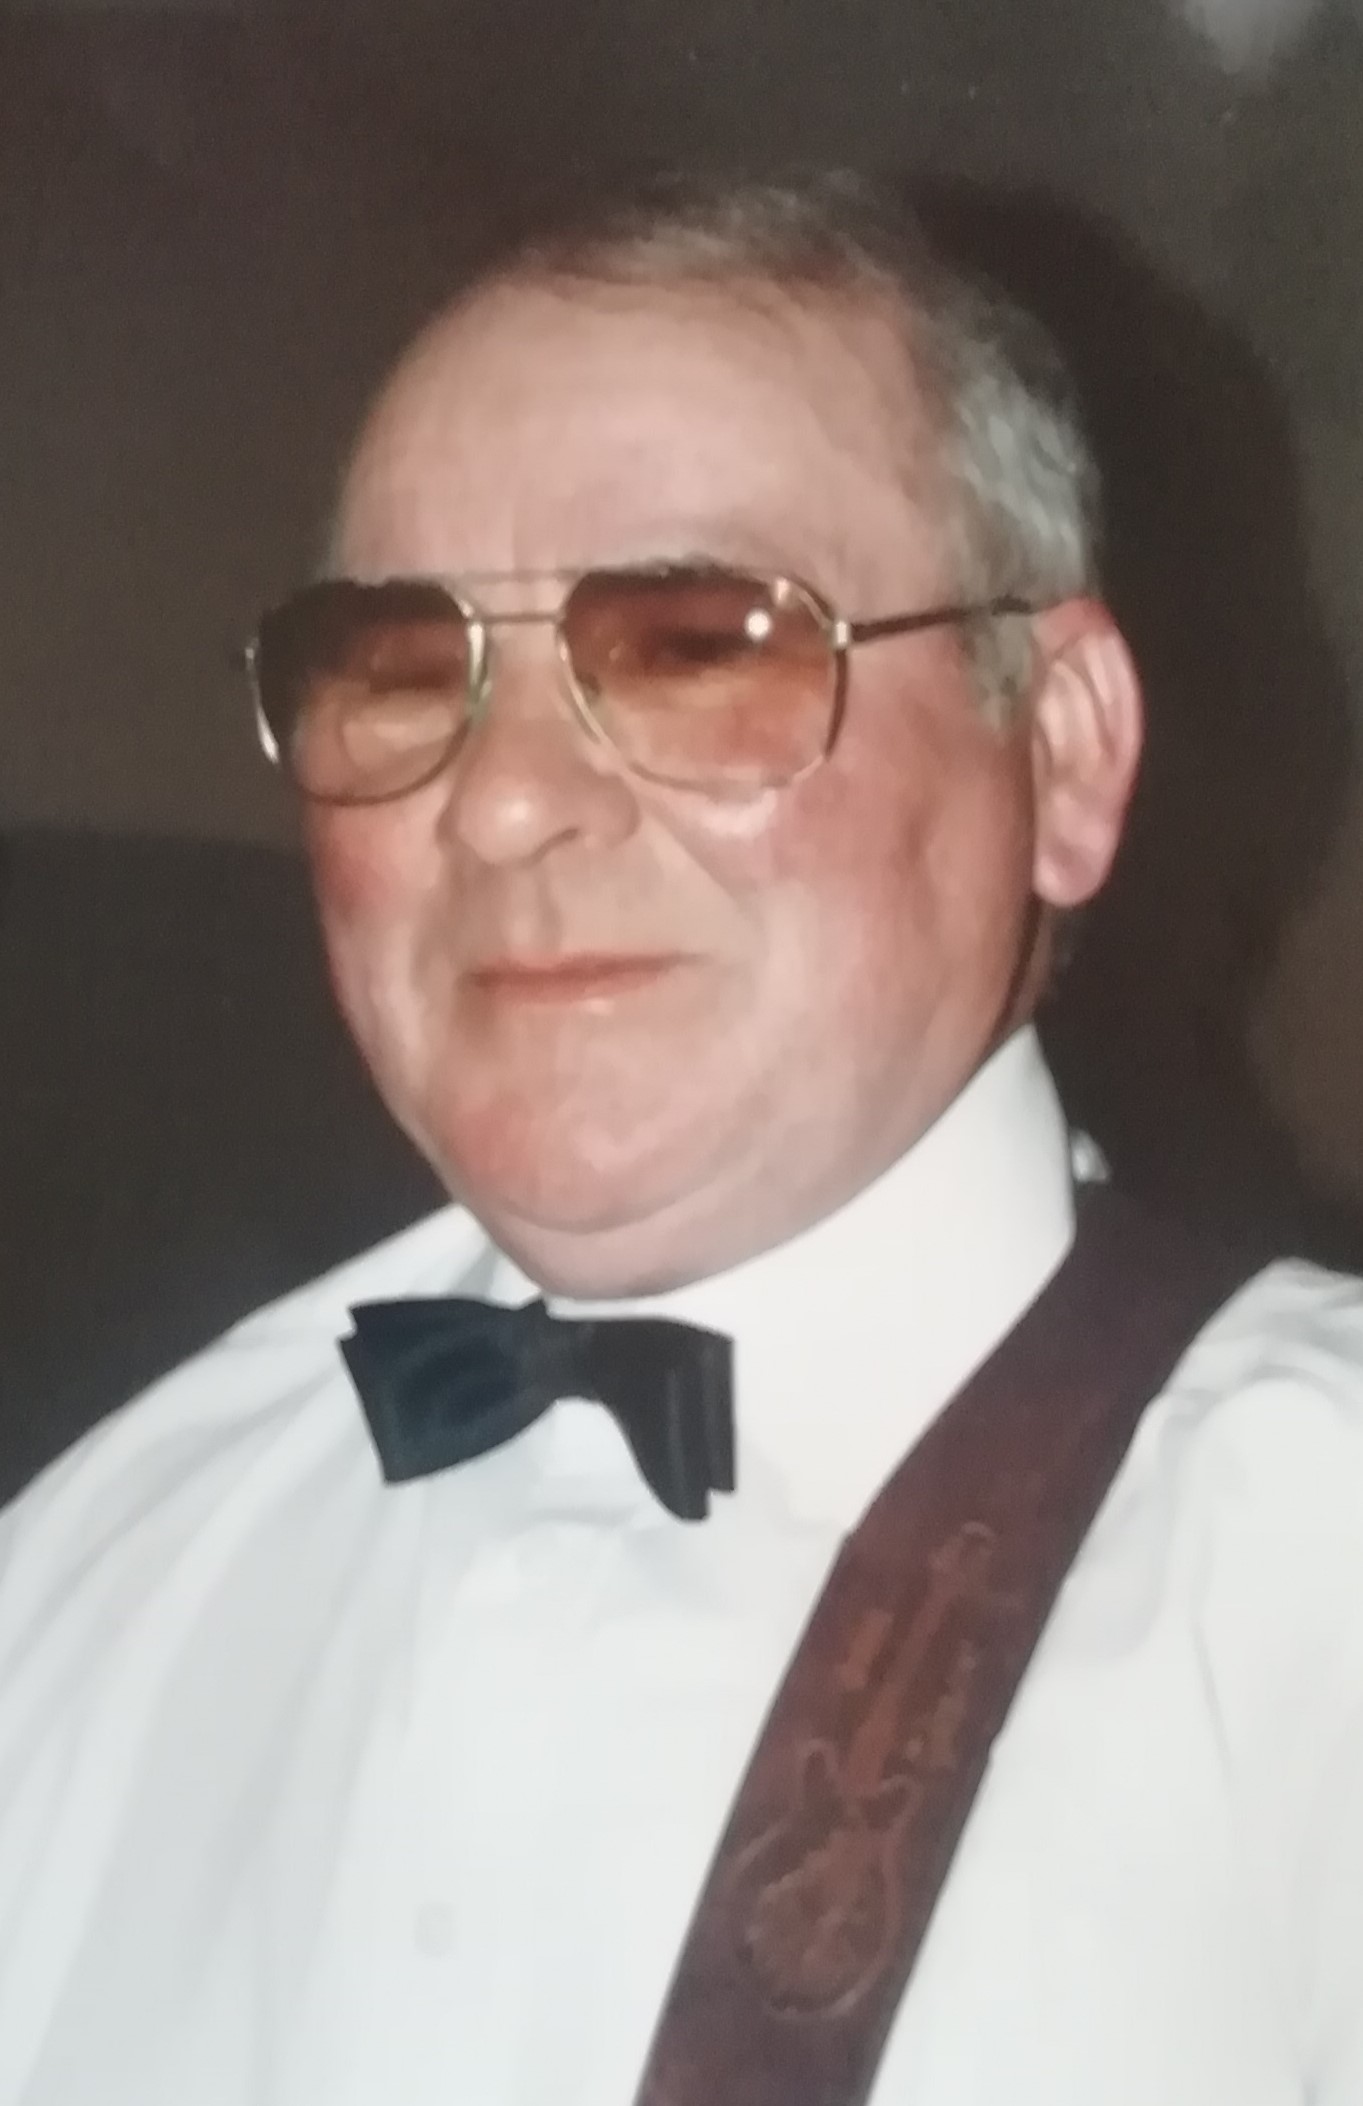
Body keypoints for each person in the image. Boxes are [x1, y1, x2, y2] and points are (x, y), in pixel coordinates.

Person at [0, 170, 1360, 2106]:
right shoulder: (95, 1566)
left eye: (698, 643)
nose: (502, 805)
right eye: (403, 669)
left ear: (1058, 747)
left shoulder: (1316, 1564)